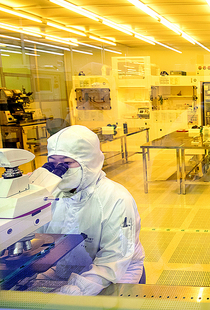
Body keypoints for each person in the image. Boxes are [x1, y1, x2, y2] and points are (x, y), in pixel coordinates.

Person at [34, 125, 145, 295]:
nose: (60, 171)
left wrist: (79, 290)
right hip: (65, 270)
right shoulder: (52, 193)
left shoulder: (116, 198)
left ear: (88, 162)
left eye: (67, 163)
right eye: (52, 164)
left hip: (116, 272)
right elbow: (38, 239)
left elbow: (113, 260)